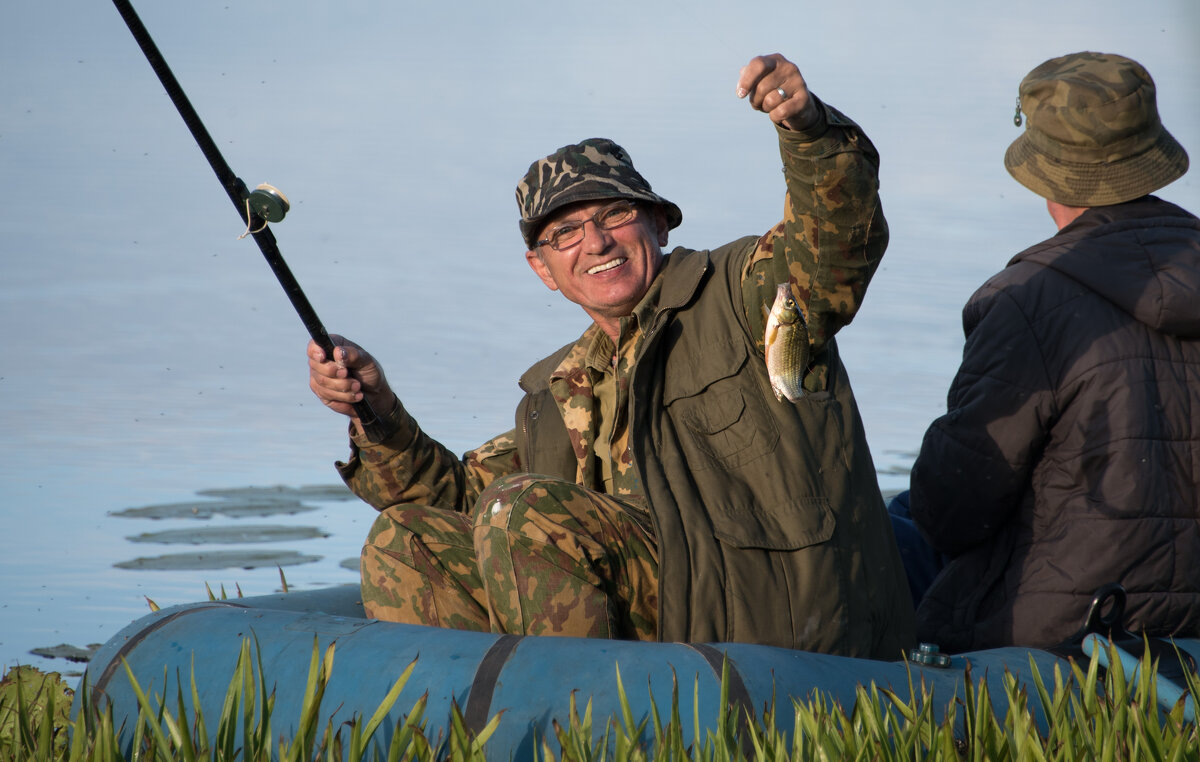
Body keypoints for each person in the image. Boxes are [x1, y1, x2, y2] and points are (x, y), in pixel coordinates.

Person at [309, 53, 915, 659]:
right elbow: (462, 501)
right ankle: (484, 733)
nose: (594, 242)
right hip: (657, 616)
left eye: (614, 214)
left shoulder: (745, 290)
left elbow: (834, 237)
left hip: (770, 620)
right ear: (542, 269)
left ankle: (582, 727)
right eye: (563, 233)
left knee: (523, 509)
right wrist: (377, 412)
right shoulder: (556, 393)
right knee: (405, 538)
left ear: (658, 223)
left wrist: (806, 130)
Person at [906, 51, 1199, 652]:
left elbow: (954, 511)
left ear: (1048, 177)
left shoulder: (1025, 301)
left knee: (894, 528)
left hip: (1067, 630)